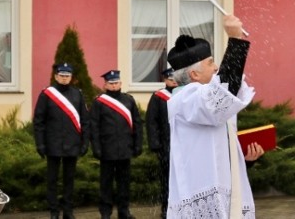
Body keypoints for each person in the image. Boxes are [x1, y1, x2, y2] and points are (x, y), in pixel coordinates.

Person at [166, 15, 263, 218]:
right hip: (203, 199)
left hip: (227, 192)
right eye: (210, 63)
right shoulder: (185, 100)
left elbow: (217, 143)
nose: (216, 67)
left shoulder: (207, 97)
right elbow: (224, 91)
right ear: (194, 75)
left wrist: (244, 160)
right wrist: (235, 41)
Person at [33, 63, 90, 219]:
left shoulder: (77, 94)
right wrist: (40, 143)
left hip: (72, 144)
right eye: (62, 76)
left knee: (69, 180)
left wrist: (85, 143)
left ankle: (68, 211)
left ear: (71, 77)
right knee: (52, 180)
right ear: (56, 76)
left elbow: (85, 121)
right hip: (53, 144)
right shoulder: (47, 94)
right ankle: (53, 211)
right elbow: (39, 121)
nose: (65, 79)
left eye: (67, 76)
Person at [90, 70, 143, 219]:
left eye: (116, 83)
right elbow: (94, 127)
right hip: (107, 150)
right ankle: (105, 213)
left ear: (120, 83)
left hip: (125, 149)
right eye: (111, 83)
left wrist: (138, 144)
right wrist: (96, 147)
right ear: (105, 84)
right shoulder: (99, 102)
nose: (114, 86)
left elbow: (137, 124)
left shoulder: (129, 100)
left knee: (124, 184)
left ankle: (123, 211)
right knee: (106, 184)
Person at [145, 68, 178, 219]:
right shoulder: (158, 97)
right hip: (166, 145)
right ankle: (166, 209)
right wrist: (155, 143)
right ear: (165, 80)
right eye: (170, 79)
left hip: (184, 145)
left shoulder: (184, 94)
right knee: (166, 179)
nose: (173, 81)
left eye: (175, 78)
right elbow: (151, 121)